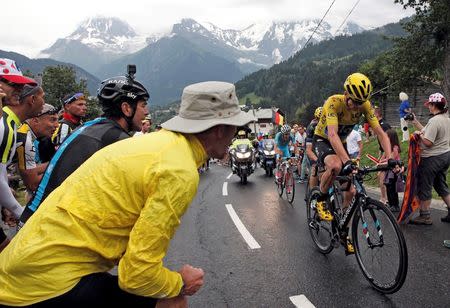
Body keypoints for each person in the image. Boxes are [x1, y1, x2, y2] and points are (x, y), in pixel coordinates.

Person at [0, 80, 254, 307]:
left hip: (20, 269)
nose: (234, 137)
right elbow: (137, 276)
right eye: (234, 128)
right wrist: (180, 283)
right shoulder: (179, 170)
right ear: (220, 128)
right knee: (174, 302)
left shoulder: (151, 144)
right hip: (44, 286)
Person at [19, 71, 150, 226]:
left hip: (36, 216)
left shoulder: (92, 126)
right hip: (44, 225)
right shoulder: (115, 139)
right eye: (143, 105)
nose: (146, 112)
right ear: (127, 108)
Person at [313, 72, 393, 254]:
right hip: (323, 139)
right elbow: (332, 135)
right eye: (354, 101)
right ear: (346, 94)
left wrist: (390, 158)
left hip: (341, 144)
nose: (356, 106)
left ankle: (342, 229)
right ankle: (321, 199)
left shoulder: (364, 105)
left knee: (352, 190)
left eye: (360, 103)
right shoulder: (333, 102)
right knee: (335, 166)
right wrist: (347, 161)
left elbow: (380, 132)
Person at [0, 83, 43, 252]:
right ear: (32, 99)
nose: (44, 102)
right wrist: (19, 211)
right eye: (43, 97)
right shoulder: (7, 126)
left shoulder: (10, 122)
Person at [408, 93, 450, 225]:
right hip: (445, 155)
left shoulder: (434, 121)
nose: (428, 107)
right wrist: (415, 122)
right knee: (440, 184)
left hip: (432, 158)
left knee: (424, 185)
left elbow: (428, 142)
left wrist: (417, 136)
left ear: (433, 105)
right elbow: (427, 131)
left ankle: (425, 216)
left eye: (429, 105)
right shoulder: (446, 118)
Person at [15, 103, 58, 201]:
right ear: (35, 120)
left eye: (57, 120)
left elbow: (30, 170)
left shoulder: (23, 132)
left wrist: (56, 162)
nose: (57, 125)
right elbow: (32, 184)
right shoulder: (25, 139)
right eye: (52, 120)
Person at [383, 129, 404, 213]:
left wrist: (382, 162)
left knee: (392, 189)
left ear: (391, 138)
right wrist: (379, 162)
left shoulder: (395, 148)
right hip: (388, 170)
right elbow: (383, 158)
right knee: (388, 187)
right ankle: (391, 204)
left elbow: (390, 159)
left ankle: (395, 205)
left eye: (386, 136)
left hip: (394, 171)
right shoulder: (388, 147)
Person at [301, 106, 322, 186]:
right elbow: (309, 149)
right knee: (314, 168)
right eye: (319, 119)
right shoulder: (311, 127)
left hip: (321, 147)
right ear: (316, 118)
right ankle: (313, 192)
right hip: (312, 148)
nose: (321, 121)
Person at [374, 106, 392, 204]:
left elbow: (388, 143)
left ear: (377, 114)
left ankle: (384, 198)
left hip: (388, 153)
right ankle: (385, 197)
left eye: (373, 114)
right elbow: (380, 143)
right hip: (384, 153)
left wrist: (383, 158)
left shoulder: (384, 125)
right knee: (382, 176)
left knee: (381, 176)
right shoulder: (379, 125)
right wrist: (379, 153)